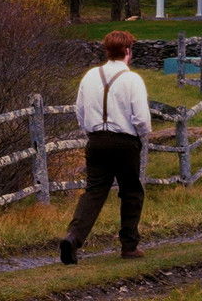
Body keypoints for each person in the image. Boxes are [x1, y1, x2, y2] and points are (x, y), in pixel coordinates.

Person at [59, 30, 152, 264]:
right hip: (125, 142)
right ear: (128, 51)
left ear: (107, 50)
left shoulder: (90, 76)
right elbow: (141, 118)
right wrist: (142, 136)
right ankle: (129, 245)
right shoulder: (132, 79)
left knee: (94, 191)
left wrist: (90, 131)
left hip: (96, 141)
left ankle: (73, 237)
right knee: (131, 191)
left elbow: (79, 110)